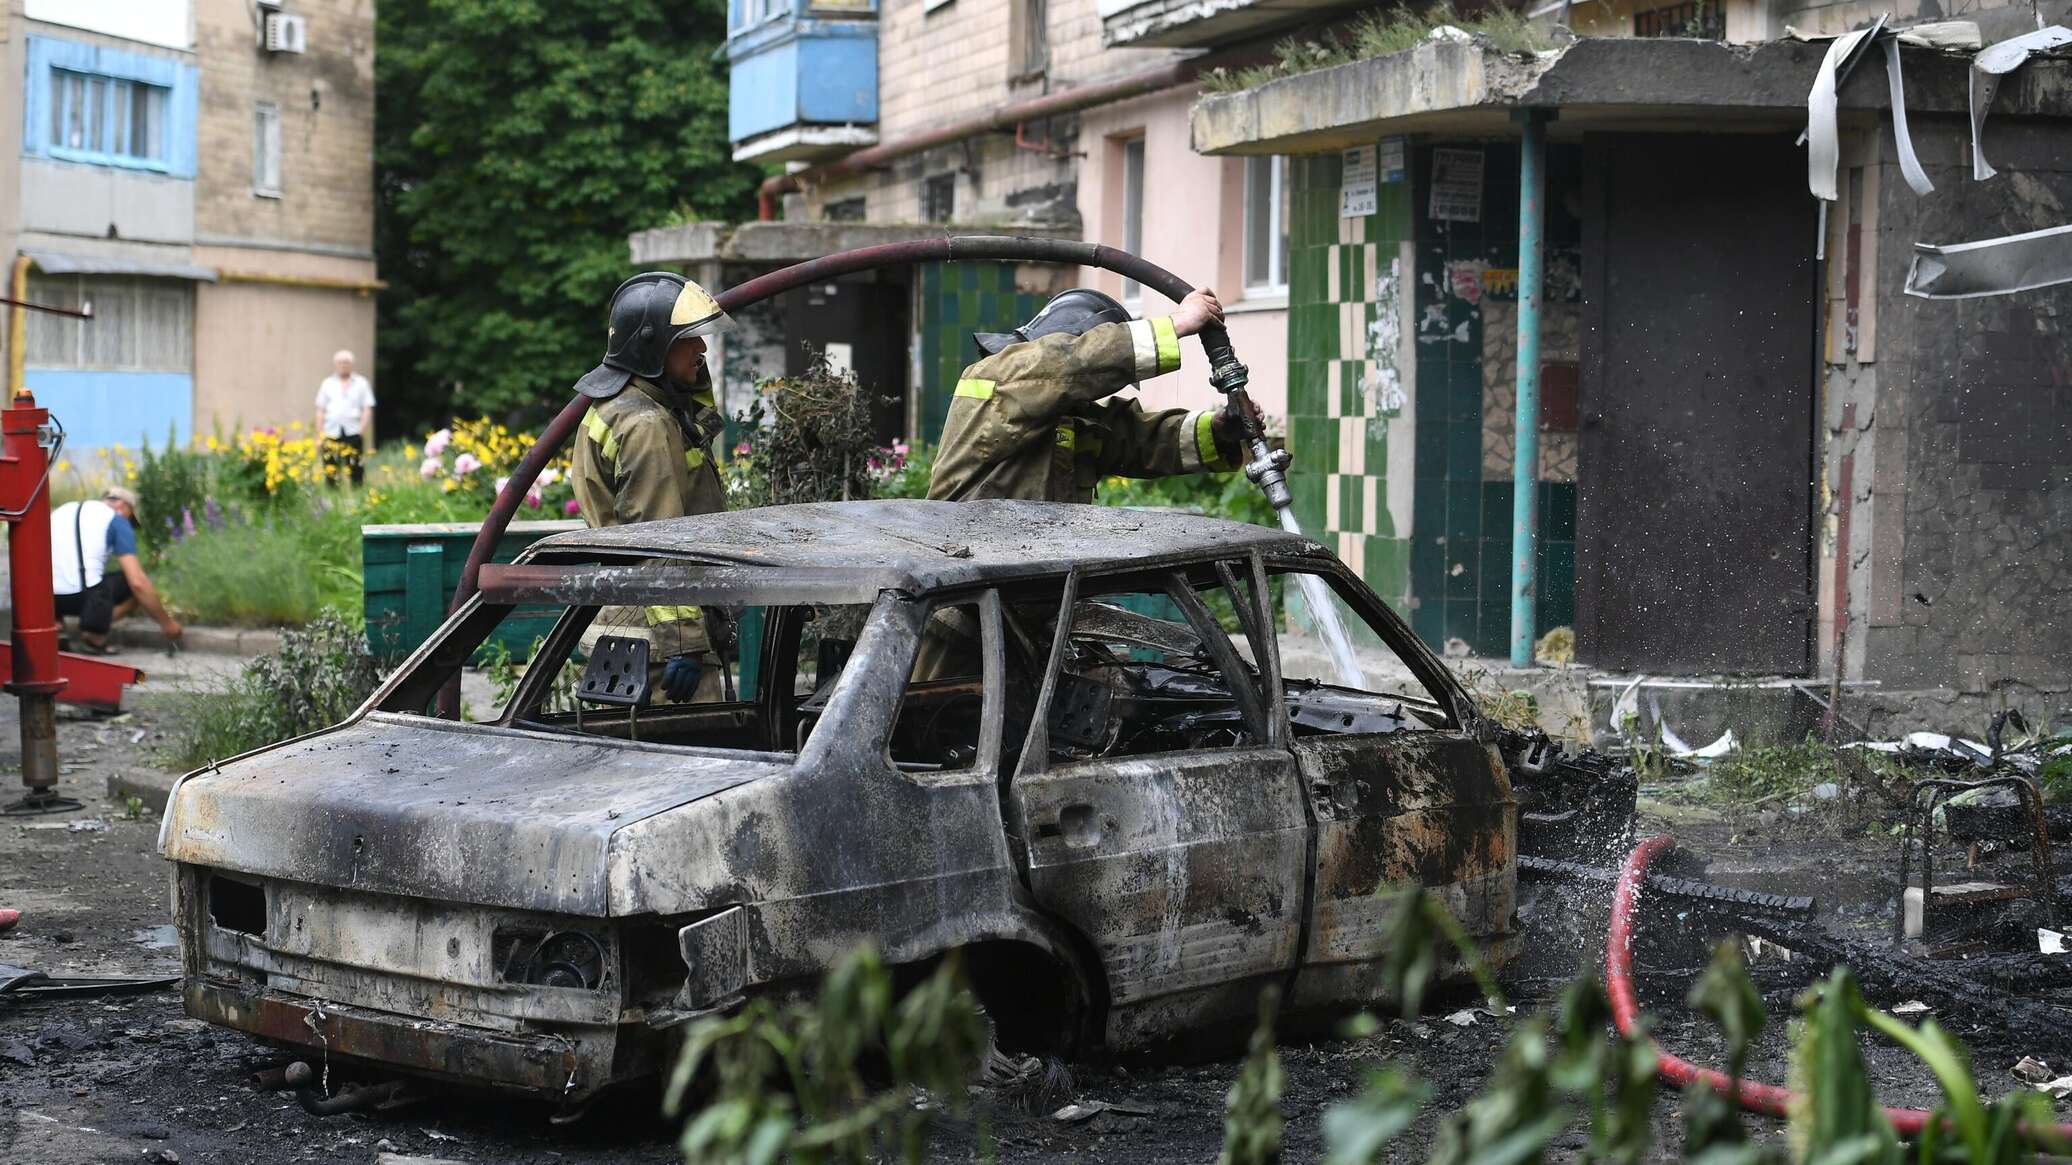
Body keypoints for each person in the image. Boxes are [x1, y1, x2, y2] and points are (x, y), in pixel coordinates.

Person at [927, 286, 1256, 503]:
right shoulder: (996, 377)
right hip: (961, 593)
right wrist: (1177, 324)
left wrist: (1218, 430)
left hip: (1031, 594)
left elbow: (1137, 441)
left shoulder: (1068, 421)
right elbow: (1069, 363)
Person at [567, 271, 733, 703]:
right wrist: (685, 641)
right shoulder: (648, 426)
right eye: (688, 339)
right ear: (652, 346)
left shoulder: (622, 408)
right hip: (658, 653)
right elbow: (659, 540)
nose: (701, 349)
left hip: (627, 632)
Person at [51, 487, 182, 654]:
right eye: (131, 518)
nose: (129, 523)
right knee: (133, 584)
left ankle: (55, 628)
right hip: (84, 597)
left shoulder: (61, 511)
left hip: (45, 600)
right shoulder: (117, 519)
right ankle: (93, 633)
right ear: (122, 505)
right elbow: (137, 582)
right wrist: (167, 624)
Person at [315, 349, 375, 485]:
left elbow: (367, 407)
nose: (343, 365)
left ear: (352, 364)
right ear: (335, 364)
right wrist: (320, 433)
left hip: (353, 430)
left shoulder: (361, 383)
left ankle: (357, 490)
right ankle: (332, 493)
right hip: (331, 430)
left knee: (355, 464)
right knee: (330, 465)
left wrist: (362, 429)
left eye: (346, 362)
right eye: (340, 362)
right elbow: (320, 410)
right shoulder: (327, 383)